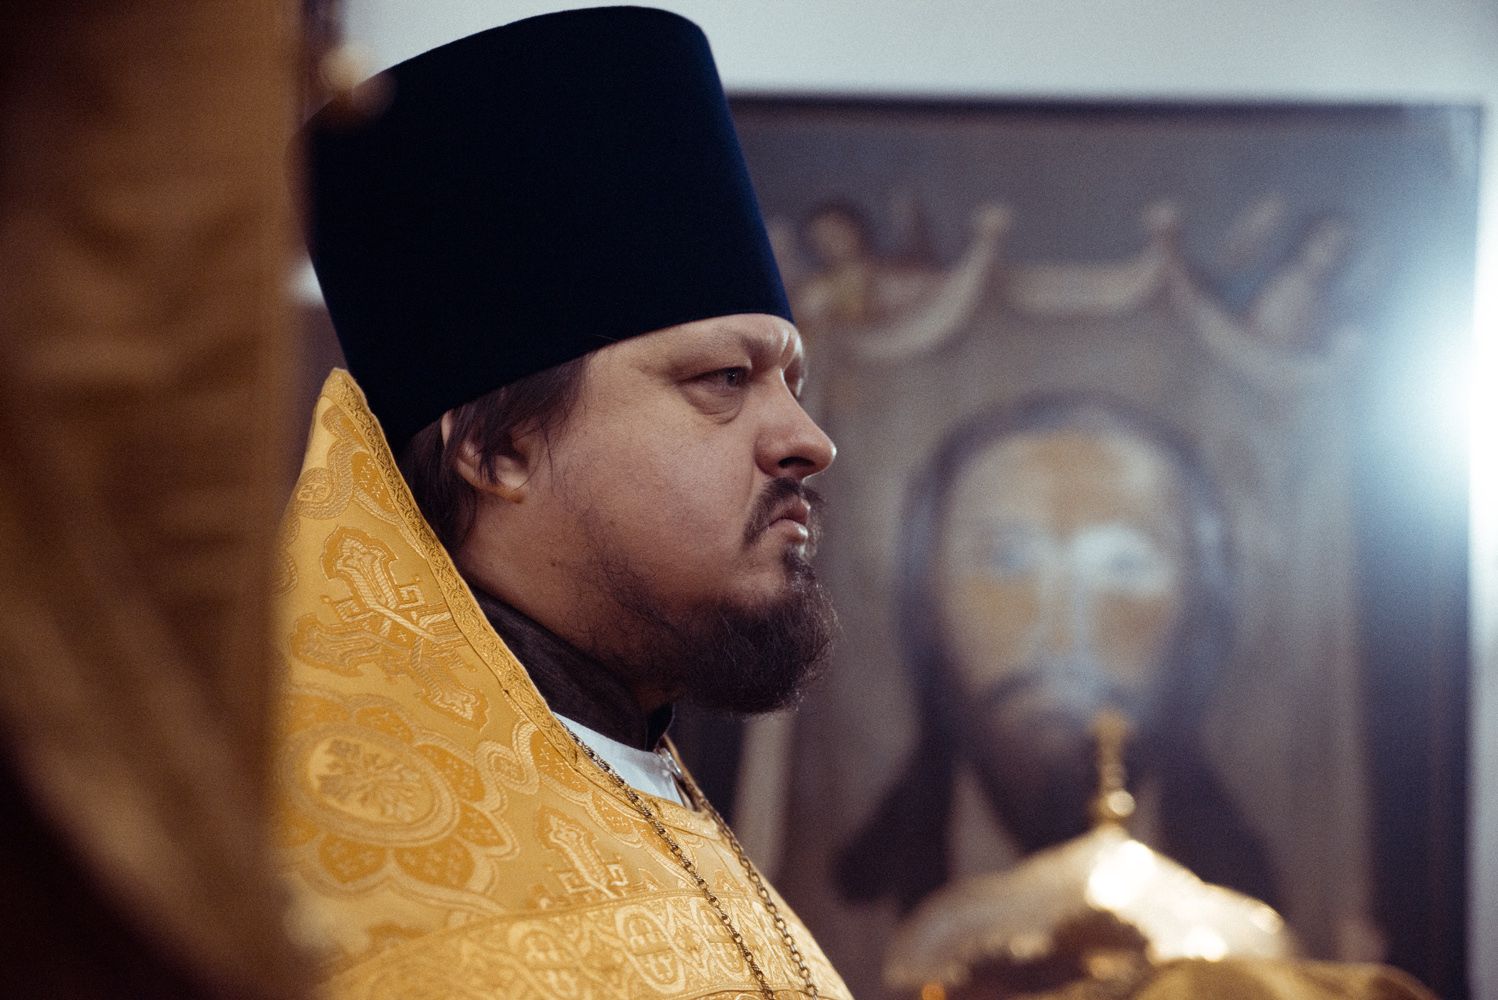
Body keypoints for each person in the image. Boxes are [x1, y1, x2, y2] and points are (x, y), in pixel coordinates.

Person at [275, 8, 850, 999]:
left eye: (790, 382)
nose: (809, 440)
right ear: (497, 449)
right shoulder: (349, 896)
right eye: (724, 378)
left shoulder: (643, 781)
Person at [836, 396, 1277, 916]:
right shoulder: (829, 927)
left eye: (1123, 566)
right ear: (925, 599)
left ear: (1201, 609)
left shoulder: (1244, 924)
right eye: (1006, 560)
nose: (1063, 639)